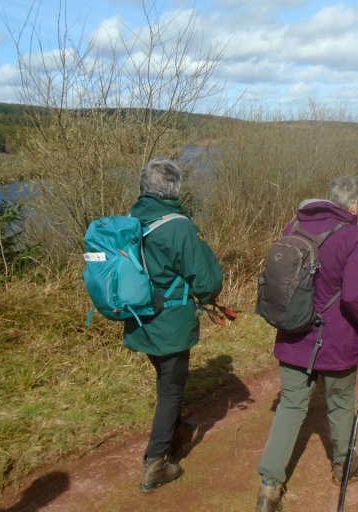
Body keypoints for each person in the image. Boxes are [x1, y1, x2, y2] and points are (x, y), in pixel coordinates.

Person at [255, 176, 358, 512]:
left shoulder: (294, 225)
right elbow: (355, 297)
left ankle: (269, 489)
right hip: (336, 341)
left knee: (291, 406)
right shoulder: (353, 236)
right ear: (355, 206)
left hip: (293, 333)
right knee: (340, 402)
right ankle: (344, 467)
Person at [124, 159, 224, 493]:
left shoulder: (129, 220)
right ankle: (155, 464)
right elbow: (208, 282)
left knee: (166, 378)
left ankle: (177, 431)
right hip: (170, 321)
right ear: (174, 189)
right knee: (171, 387)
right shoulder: (179, 226)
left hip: (139, 318)